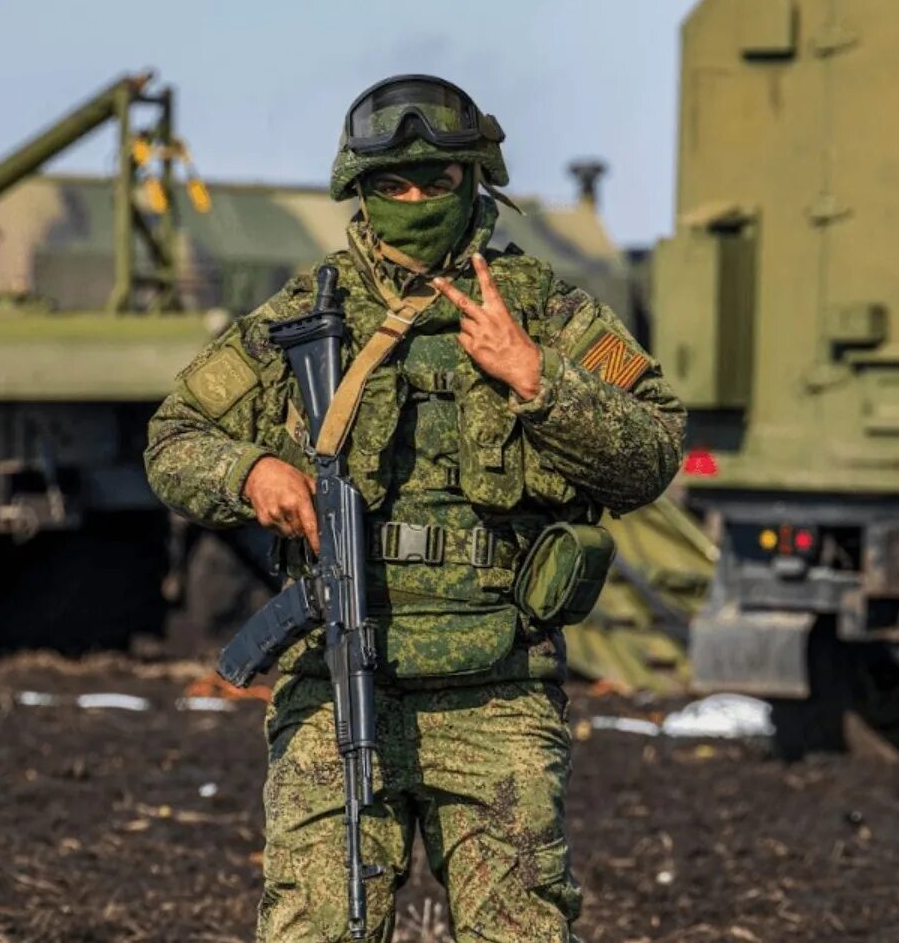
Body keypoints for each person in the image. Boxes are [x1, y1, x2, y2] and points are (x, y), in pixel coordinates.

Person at [144, 74, 684, 943]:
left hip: (498, 692)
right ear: (357, 192)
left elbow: (653, 452)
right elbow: (173, 440)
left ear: (474, 182)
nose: (412, 201)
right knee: (318, 927)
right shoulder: (301, 317)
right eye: (390, 186)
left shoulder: (543, 309)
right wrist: (251, 475)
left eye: (434, 182)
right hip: (335, 683)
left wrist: (536, 378)